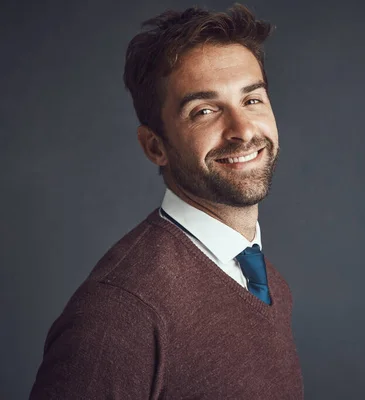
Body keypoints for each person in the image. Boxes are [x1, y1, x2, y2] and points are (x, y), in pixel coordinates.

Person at [29, 4, 304, 399]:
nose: (243, 131)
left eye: (252, 100)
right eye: (205, 110)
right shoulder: (118, 314)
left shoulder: (264, 279)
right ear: (155, 146)